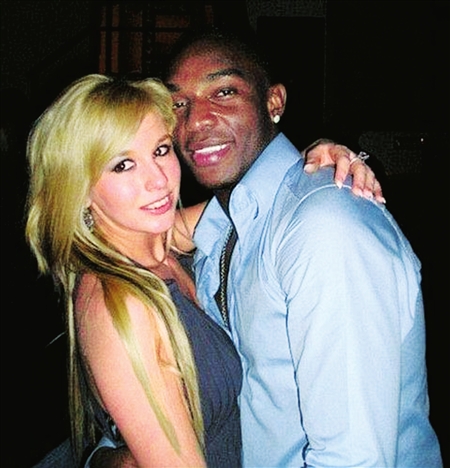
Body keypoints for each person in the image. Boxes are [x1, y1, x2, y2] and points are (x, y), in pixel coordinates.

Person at [26, 73, 376, 468]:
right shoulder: (121, 303)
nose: (158, 180)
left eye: (160, 150)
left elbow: (259, 199)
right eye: (123, 165)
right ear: (80, 188)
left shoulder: (159, 241)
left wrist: (315, 158)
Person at [163, 29, 442, 467]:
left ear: (273, 102)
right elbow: (122, 232)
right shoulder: (227, 223)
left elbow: (353, 459)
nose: (195, 121)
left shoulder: (324, 226)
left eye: (224, 92)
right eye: (178, 104)